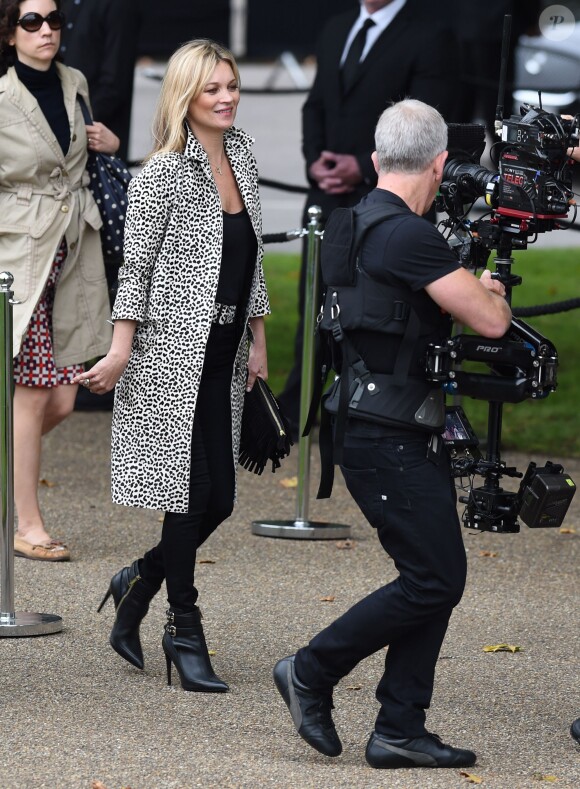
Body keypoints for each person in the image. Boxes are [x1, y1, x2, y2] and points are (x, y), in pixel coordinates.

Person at [273, 99, 512, 768]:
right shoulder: (412, 237)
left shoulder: (352, 223)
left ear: (377, 160)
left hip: (375, 427)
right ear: (439, 164)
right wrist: (492, 288)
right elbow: (490, 323)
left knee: (432, 571)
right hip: (388, 436)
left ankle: (400, 725)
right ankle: (311, 669)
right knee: (435, 578)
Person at [75, 39, 270, 692]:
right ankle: (183, 628)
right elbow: (135, 267)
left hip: (224, 352)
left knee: (220, 496)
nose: (227, 97)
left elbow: (256, 259)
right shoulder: (162, 171)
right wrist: (120, 347)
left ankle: (137, 581)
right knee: (187, 496)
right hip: (168, 355)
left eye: (233, 86)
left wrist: (260, 339)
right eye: (214, 88)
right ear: (187, 95)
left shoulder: (241, 154)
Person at [276, 0, 459, 437]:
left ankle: (367, 409)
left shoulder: (431, 33)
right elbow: (315, 104)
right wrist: (315, 162)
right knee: (314, 303)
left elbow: (428, 125)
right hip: (326, 196)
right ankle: (299, 407)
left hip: (390, 204)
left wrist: (361, 164)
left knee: (380, 314)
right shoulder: (336, 27)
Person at [0, 0, 116, 562]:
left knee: (66, 398)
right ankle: (26, 522)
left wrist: (110, 145)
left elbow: (83, 159)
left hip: (73, 251)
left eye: (53, 20)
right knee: (33, 391)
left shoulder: (75, 82)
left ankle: (12, 494)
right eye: (31, 22)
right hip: (19, 252)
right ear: (9, 31)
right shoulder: (1, 97)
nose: (46, 30)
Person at [59, 0, 142, 161]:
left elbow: (114, 84)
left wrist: (74, 126)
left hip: (97, 137)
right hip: (60, 133)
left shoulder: (119, 5)